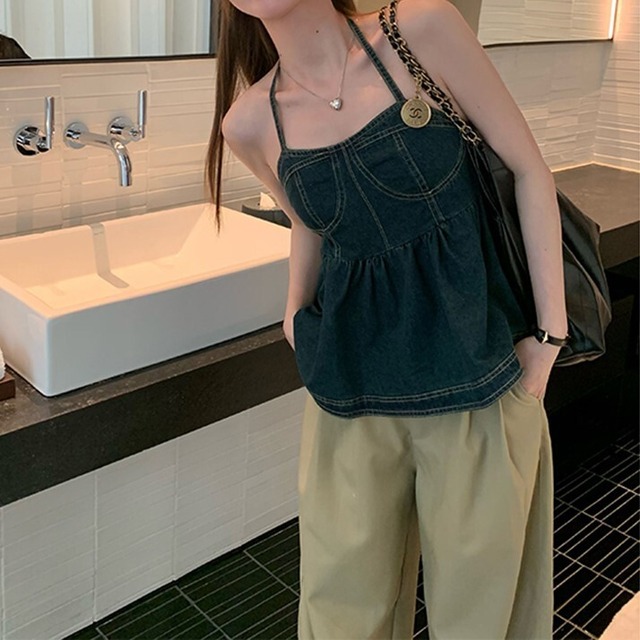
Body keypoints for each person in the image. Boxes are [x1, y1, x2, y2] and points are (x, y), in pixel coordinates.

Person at [206, 0, 568, 637]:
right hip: (348, 397)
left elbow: (527, 168)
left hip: (476, 379)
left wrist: (549, 337)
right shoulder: (249, 122)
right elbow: (308, 222)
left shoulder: (419, 31)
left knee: (485, 617)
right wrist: (293, 314)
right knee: (341, 615)